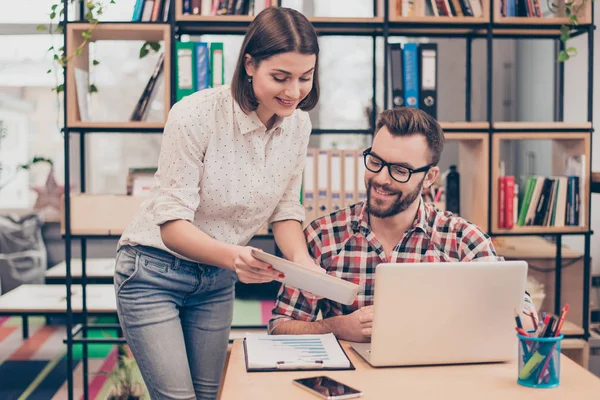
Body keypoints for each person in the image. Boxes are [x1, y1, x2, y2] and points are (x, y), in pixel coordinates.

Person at [114, 7, 321, 400]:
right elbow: (172, 225)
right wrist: (235, 258)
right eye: (280, 77)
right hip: (153, 274)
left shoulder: (298, 124)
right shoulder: (195, 115)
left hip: (215, 282)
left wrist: (302, 262)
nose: (294, 91)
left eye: (305, 78)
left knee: (211, 396)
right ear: (249, 64)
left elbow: (285, 208)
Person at [269, 107, 538, 342]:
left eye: (400, 170)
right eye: (375, 162)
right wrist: (336, 327)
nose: (381, 178)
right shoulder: (324, 236)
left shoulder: (463, 239)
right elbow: (280, 327)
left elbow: (528, 323)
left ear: (430, 176)